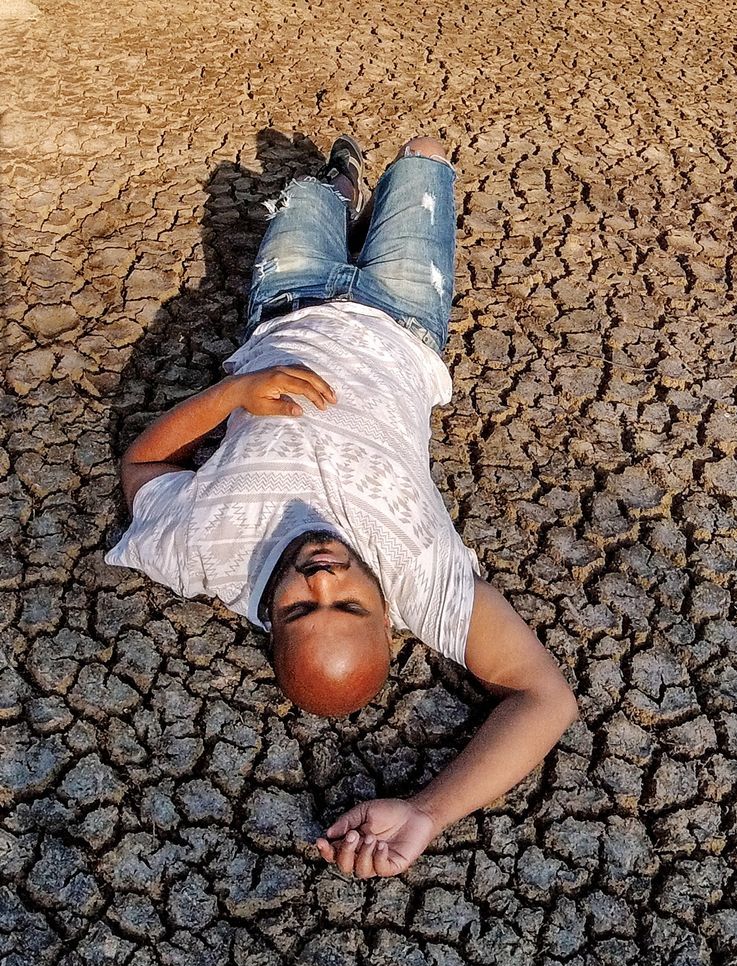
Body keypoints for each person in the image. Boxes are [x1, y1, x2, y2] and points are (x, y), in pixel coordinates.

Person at [105, 134, 579, 879]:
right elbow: (544, 698)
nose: (322, 577)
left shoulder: (202, 552)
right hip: (403, 320)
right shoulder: (421, 580)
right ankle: (377, 183)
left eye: (299, 608)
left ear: (269, 620)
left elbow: (142, 461)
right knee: (424, 157)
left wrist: (231, 395)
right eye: (348, 607)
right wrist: (428, 812)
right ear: (388, 617)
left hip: (286, 306)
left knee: (308, 194)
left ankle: (336, 184)